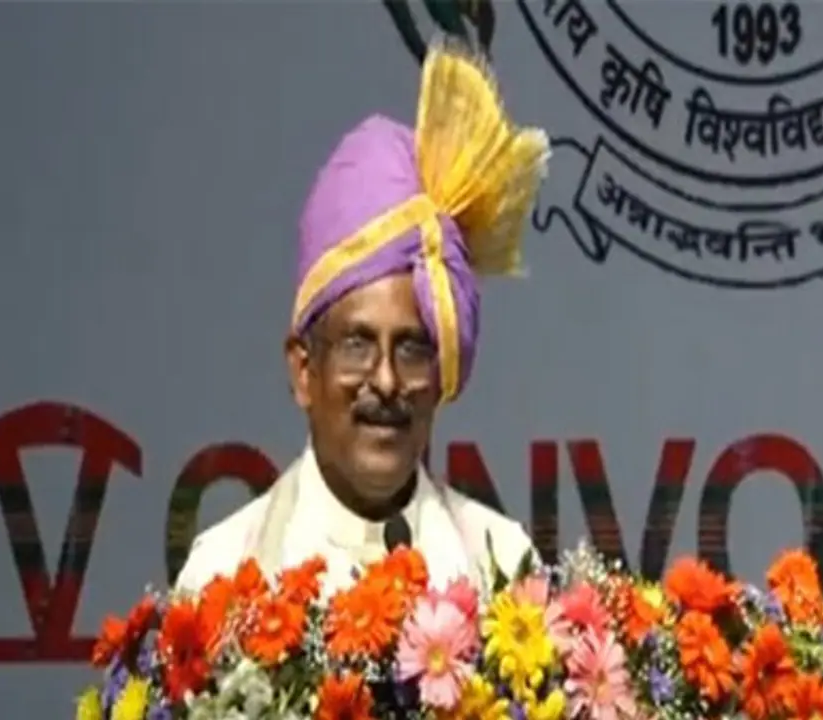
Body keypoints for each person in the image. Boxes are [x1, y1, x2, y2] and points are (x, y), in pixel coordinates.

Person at [174, 39, 551, 596]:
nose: (387, 381)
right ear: (304, 370)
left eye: (412, 348)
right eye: (357, 345)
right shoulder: (223, 576)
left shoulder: (502, 566)